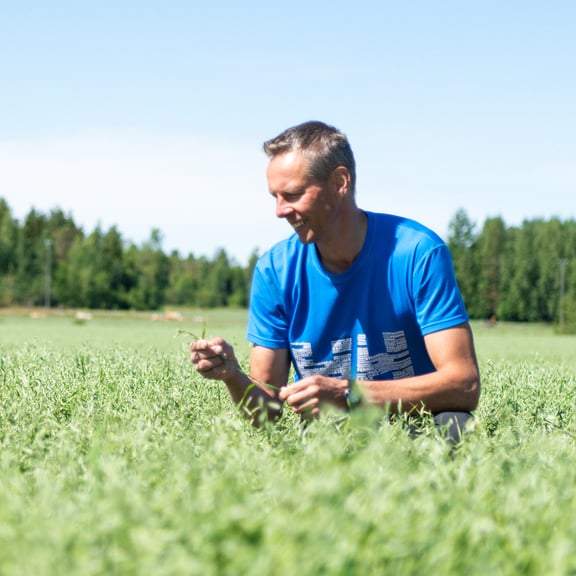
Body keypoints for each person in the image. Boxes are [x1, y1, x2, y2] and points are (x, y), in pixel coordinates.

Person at [190, 120, 480, 443]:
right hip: (327, 440)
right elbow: (267, 413)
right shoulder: (274, 271)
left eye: (293, 194)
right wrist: (232, 376)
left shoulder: (418, 254)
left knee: (455, 425)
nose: (279, 211)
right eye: (275, 196)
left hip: (413, 426)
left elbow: (464, 385)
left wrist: (348, 394)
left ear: (340, 182)